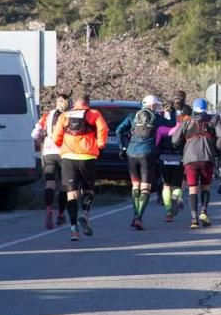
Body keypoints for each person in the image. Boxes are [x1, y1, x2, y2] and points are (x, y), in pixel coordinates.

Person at [52, 94, 108, 241]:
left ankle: (73, 230)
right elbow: (103, 129)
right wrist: (100, 144)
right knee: (88, 189)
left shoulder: (65, 115)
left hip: (68, 158)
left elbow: (56, 136)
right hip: (87, 157)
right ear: (87, 103)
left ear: (75, 104)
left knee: (71, 193)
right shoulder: (94, 114)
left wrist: (61, 145)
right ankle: (85, 213)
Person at [117, 95, 166, 230]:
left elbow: (118, 130)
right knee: (146, 187)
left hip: (131, 153)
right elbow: (170, 126)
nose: (156, 108)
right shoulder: (157, 118)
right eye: (156, 106)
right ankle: (138, 217)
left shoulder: (132, 116)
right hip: (147, 154)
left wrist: (122, 146)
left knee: (135, 186)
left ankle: (135, 214)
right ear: (151, 106)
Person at [171, 98, 219, 228]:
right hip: (207, 157)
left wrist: (184, 145)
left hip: (190, 159)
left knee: (192, 189)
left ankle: (193, 219)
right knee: (205, 186)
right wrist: (217, 149)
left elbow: (175, 140)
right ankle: (203, 211)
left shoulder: (186, 121)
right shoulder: (213, 120)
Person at [32, 93, 71, 229]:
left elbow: (34, 134)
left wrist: (42, 139)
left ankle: (49, 209)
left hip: (48, 152)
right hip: (64, 152)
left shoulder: (47, 115)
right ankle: (61, 214)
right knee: (64, 185)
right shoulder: (69, 115)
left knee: (50, 183)